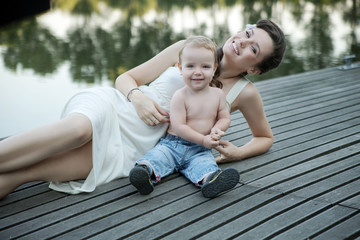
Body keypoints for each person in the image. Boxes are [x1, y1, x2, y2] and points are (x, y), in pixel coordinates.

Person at [0, 19, 286, 199]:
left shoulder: (244, 93)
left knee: (17, 177)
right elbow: (126, 78)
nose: (242, 41)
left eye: (254, 48)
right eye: (247, 33)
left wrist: (237, 152)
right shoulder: (191, 48)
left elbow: (265, 138)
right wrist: (138, 98)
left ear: (255, 68)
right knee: (78, 130)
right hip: (118, 108)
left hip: (135, 149)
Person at [129, 36, 239, 198]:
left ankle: (211, 180)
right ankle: (145, 173)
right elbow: (179, 126)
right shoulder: (180, 96)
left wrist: (217, 129)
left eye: (205, 66)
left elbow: (224, 117)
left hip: (200, 150)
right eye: (190, 66)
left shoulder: (218, 95)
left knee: (205, 165)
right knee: (158, 157)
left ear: (214, 68)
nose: (198, 72)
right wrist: (203, 139)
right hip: (173, 145)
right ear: (180, 68)